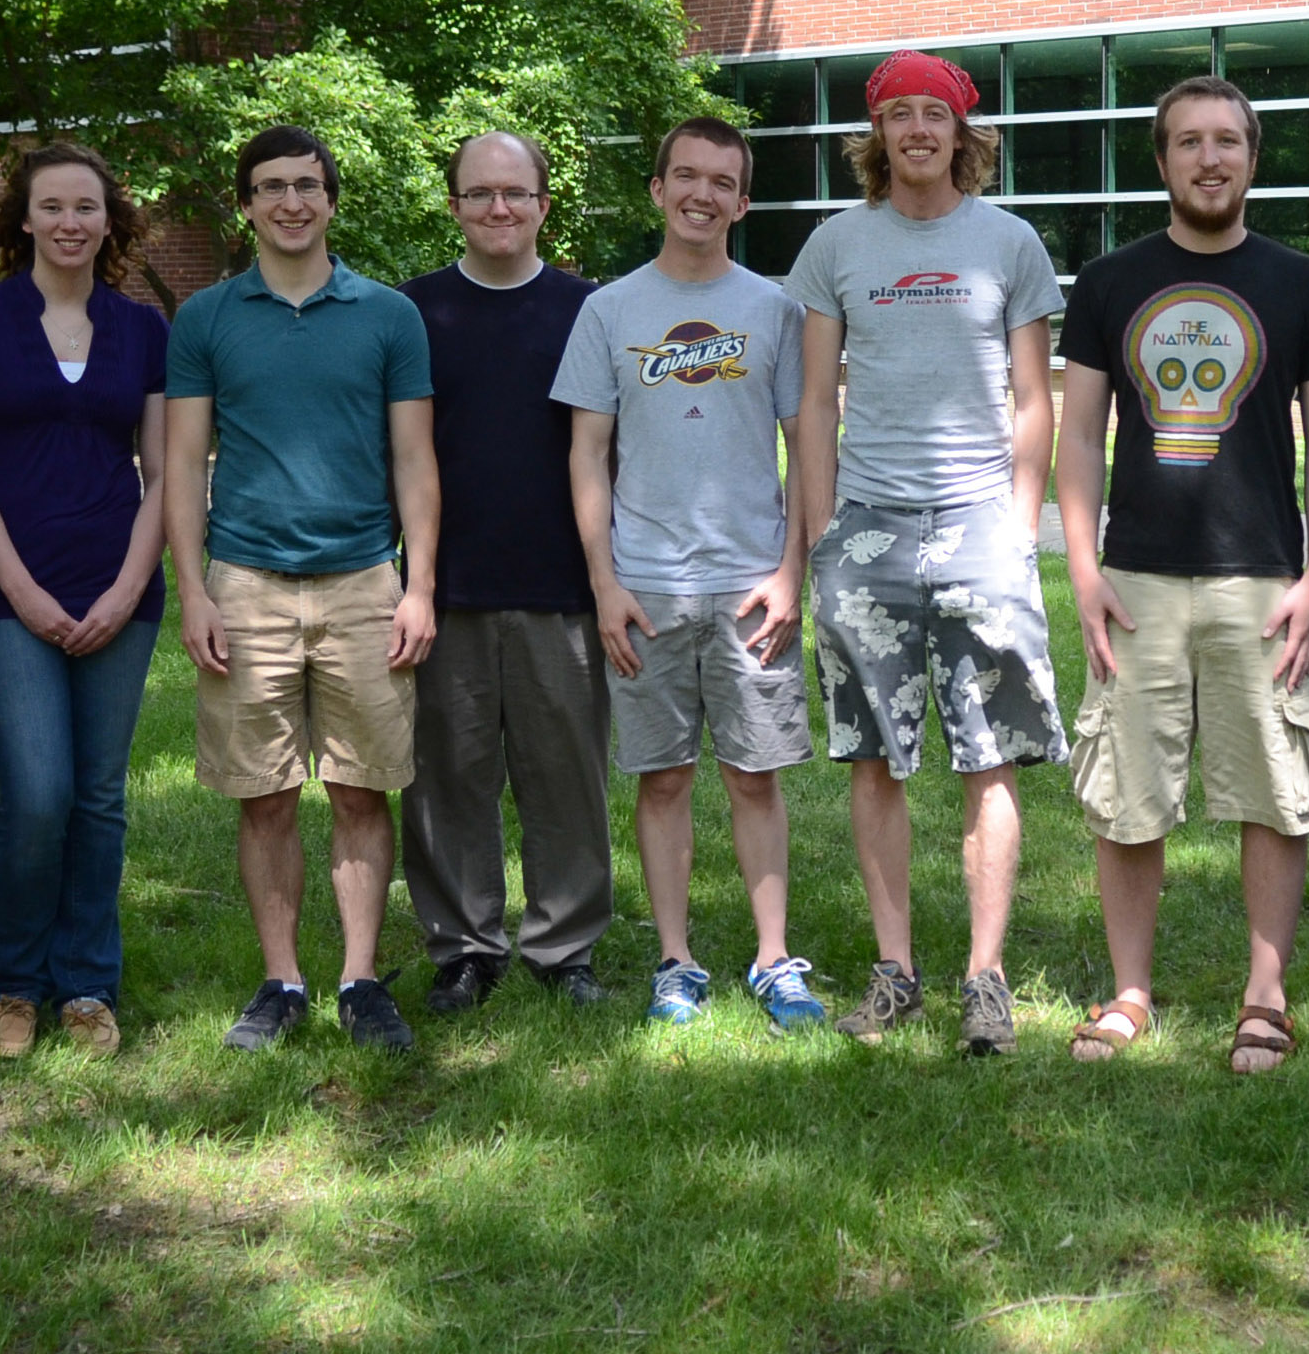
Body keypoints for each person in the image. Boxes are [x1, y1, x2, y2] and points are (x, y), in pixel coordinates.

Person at [1055, 76, 1309, 1073]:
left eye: (1227, 140)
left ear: (1252, 157)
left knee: (1272, 788)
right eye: (1189, 141)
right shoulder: (1107, 283)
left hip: (1261, 579)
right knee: (1126, 790)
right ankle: (1129, 991)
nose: (1209, 158)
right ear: (1163, 160)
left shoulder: (1305, 287)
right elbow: (1079, 436)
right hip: (1136, 578)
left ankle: (1264, 997)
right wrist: (1083, 562)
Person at [786, 50, 1066, 1056]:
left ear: (962, 133)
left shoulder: (1009, 243)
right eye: (898, 114)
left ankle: (985, 979)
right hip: (868, 524)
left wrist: (1018, 523)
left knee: (989, 756)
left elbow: (1036, 398)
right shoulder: (834, 246)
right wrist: (824, 532)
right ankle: (896, 973)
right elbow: (816, 401)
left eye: (932, 114)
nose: (916, 130)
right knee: (874, 755)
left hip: (980, 521)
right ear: (877, 136)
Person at [163, 125, 439, 1053]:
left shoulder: (388, 315)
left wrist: (419, 585)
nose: (291, 203)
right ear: (244, 203)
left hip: (365, 581)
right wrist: (194, 592)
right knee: (265, 794)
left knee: (364, 789)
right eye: (271, 187)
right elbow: (182, 459)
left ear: (330, 200)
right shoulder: (206, 318)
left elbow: (414, 459)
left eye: (307, 187)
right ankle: (280, 981)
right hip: (245, 585)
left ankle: (361, 981)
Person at [554, 118, 822, 1031]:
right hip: (648, 587)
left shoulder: (775, 310)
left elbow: (806, 448)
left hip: (753, 587)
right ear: (658, 189)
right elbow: (587, 455)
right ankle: (676, 961)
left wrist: (794, 571)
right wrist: (604, 583)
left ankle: (774, 957)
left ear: (742, 203)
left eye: (721, 182)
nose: (701, 194)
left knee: (756, 776)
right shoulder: (610, 310)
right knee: (662, 778)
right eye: (686, 177)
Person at [0, 143, 171, 1060]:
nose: (71, 223)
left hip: (119, 585)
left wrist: (124, 589)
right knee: (38, 792)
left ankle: (85, 985)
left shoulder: (144, 329)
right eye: (53, 208)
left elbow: (164, 475)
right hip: (7, 589)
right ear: (23, 221)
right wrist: (27, 594)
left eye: (87, 207)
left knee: (100, 798)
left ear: (108, 220)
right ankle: (10, 983)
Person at [398, 132, 614, 1012]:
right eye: (479, 194)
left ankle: (565, 948)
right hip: (444, 588)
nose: (498, 209)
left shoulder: (588, 311)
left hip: (560, 584)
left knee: (566, 778)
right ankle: (463, 945)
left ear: (543, 205)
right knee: (446, 775)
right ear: (453, 205)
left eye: (516, 194)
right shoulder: (410, 313)